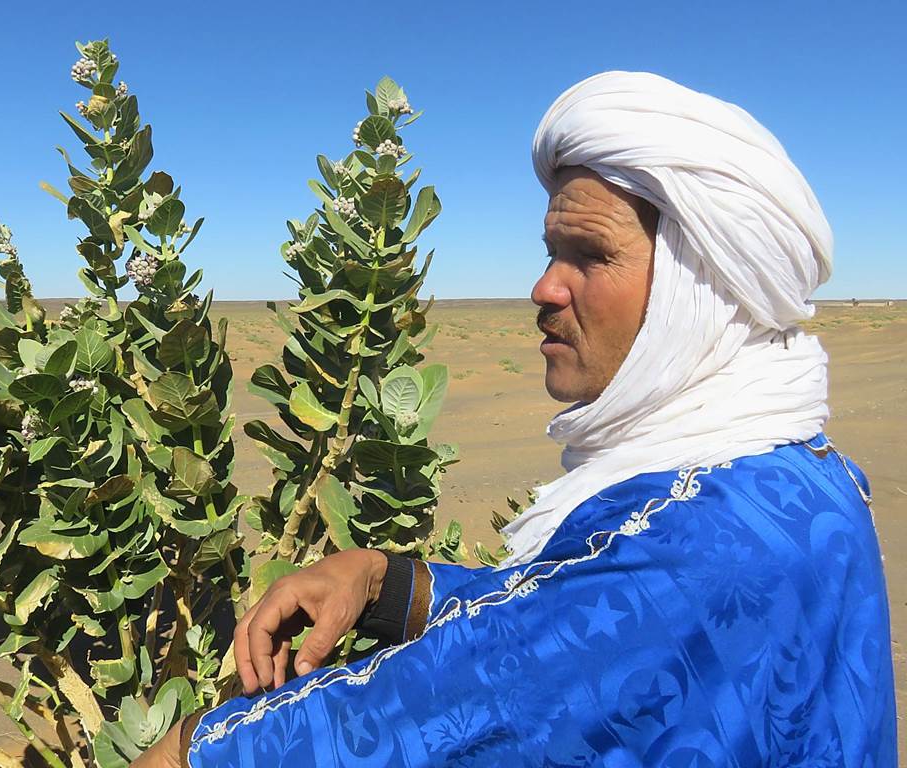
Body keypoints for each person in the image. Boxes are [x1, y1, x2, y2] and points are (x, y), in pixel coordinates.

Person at [133, 72, 897, 767]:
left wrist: (195, 744)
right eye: (549, 252)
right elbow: (579, 610)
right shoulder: (791, 466)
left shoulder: (701, 547)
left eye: (588, 256)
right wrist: (388, 581)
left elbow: (445, 707)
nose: (542, 287)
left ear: (700, 289)